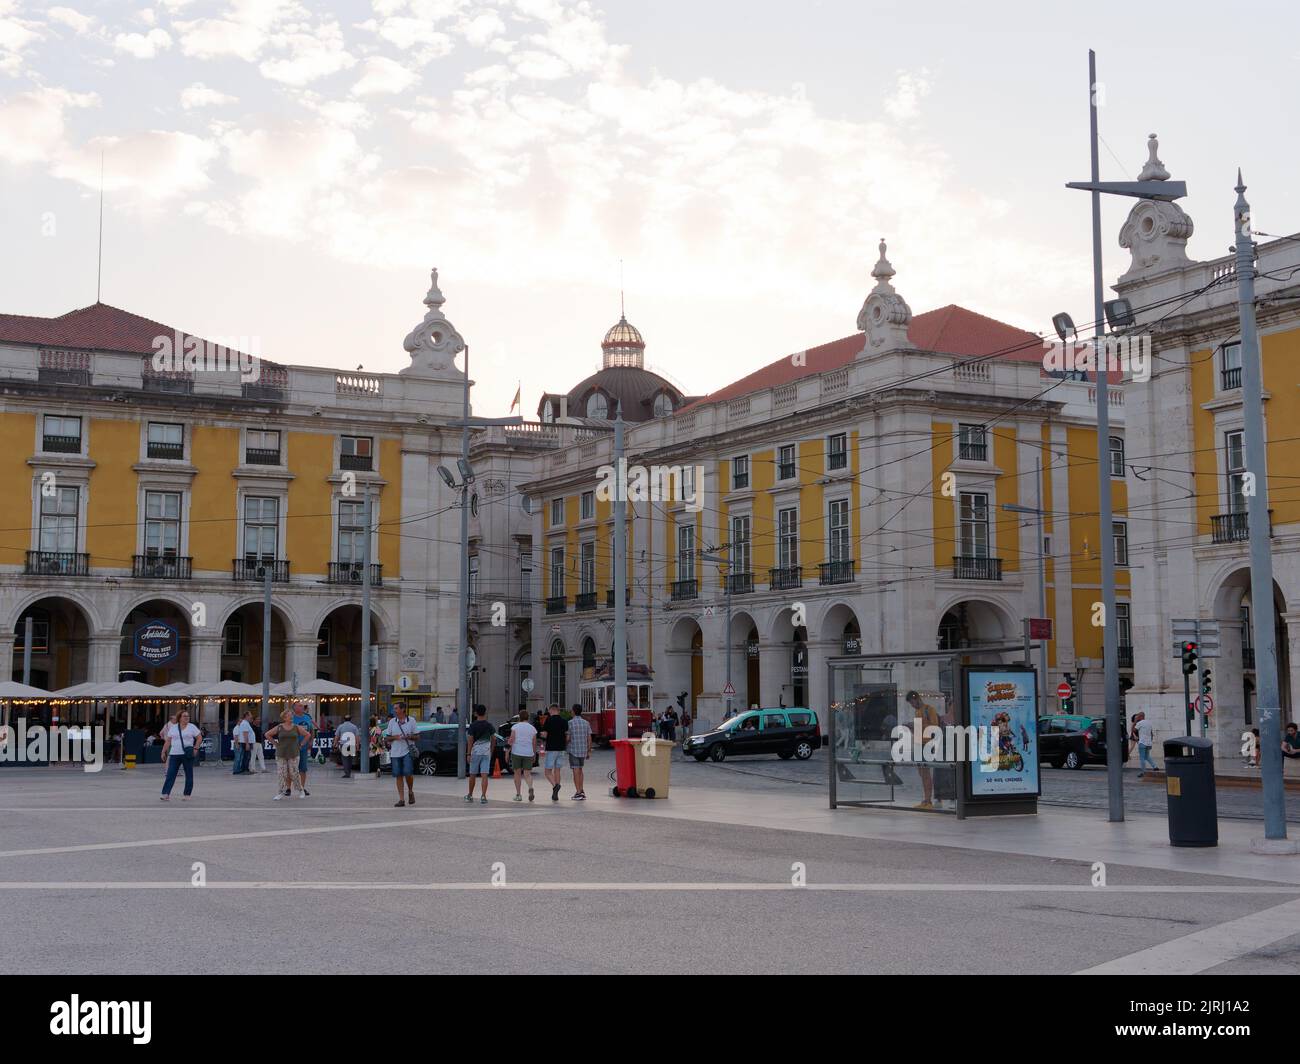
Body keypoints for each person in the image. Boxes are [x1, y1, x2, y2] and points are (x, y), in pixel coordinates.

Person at [905, 690, 942, 810]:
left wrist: (917, 726)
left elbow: (934, 727)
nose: (912, 705)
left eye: (912, 702)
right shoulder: (917, 712)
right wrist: (911, 728)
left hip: (927, 744)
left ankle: (928, 801)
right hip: (919, 744)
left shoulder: (929, 709)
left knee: (926, 774)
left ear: (917, 699)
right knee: (922, 773)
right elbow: (918, 731)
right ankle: (926, 800)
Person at [265, 708, 309, 800]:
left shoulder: (296, 727)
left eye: (292, 715)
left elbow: (307, 735)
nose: (291, 717)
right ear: (284, 718)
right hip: (281, 753)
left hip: (293, 753)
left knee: (294, 773)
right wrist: (275, 744)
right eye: (289, 715)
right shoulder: (279, 727)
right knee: (282, 773)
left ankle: (300, 790)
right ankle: (281, 792)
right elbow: (267, 734)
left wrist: (301, 744)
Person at [159, 710, 202, 801]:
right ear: (180, 718)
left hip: (187, 754)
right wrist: (163, 751)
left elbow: (199, 737)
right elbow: (168, 741)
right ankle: (166, 793)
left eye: (188, 716)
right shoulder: (174, 727)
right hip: (174, 753)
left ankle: (187, 794)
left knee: (189, 774)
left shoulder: (192, 727)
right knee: (171, 774)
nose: (187, 718)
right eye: (184, 716)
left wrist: (196, 748)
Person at [385, 704, 418, 807]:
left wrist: (409, 736)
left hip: (407, 750)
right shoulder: (392, 722)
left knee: (408, 772)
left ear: (403, 709)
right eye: (394, 708)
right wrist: (396, 737)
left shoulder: (411, 720)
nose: (394, 710)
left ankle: (410, 791)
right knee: (398, 775)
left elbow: (417, 736)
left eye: (396, 708)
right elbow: (387, 738)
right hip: (395, 752)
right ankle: (401, 799)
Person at [464, 705, 496, 804]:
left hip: (475, 753)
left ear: (476, 713)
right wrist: (491, 749)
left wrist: (468, 754)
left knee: (472, 774)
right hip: (486, 753)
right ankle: (483, 796)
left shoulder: (473, 726)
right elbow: (494, 739)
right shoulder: (489, 725)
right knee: (484, 775)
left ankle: (470, 795)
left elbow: (470, 740)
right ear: (485, 713)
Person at [508, 711, 538, 802]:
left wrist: (507, 750)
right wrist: (534, 754)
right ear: (528, 717)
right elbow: (534, 743)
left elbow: (511, 740)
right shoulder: (532, 729)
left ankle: (518, 794)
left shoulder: (515, 727)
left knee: (517, 774)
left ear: (519, 717)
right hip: (528, 753)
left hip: (516, 752)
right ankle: (530, 787)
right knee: (527, 774)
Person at [541, 704, 568, 802]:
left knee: (547, 772)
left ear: (551, 710)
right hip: (561, 748)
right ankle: (555, 793)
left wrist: (542, 736)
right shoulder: (564, 721)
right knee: (557, 770)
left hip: (552, 748)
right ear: (559, 710)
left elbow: (544, 734)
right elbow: (566, 734)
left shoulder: (548, 720)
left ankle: (555, 786)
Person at [566, 703, 592, 800]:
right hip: (583, 751)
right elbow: (589, 738)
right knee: (580, 770)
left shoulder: (570, 723)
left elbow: (568, 738)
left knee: (576, 771)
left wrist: (564, 743)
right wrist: (589, 750)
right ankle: (581, 790)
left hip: (573, 750)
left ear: (573, 711)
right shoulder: (586, 723)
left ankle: (578, 792)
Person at [291, 702, 317, 797]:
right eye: (300, 706)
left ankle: (302, 787)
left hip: (304, 747)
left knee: (303, 768)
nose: (302, 707)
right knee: (291, 768)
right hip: (293, 747)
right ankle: (288, 788)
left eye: (302, 706)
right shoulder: (291, 718)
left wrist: (311, 741)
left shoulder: (307, 717)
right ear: (294, 708)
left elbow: (311, 730)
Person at [1132, 711, 1157, 777]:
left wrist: (1135, 722)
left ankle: (1143, 772)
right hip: (1148, 743)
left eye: (1138, 716)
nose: (1137, 718)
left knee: (1142, 758)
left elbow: (1133, 730)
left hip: (1142, 742)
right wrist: (1150, 741)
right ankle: (1155, 766)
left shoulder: (1139, 723)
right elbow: (1151, 734)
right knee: (1147, 756)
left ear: (1141, 716)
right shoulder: (1149, 723)